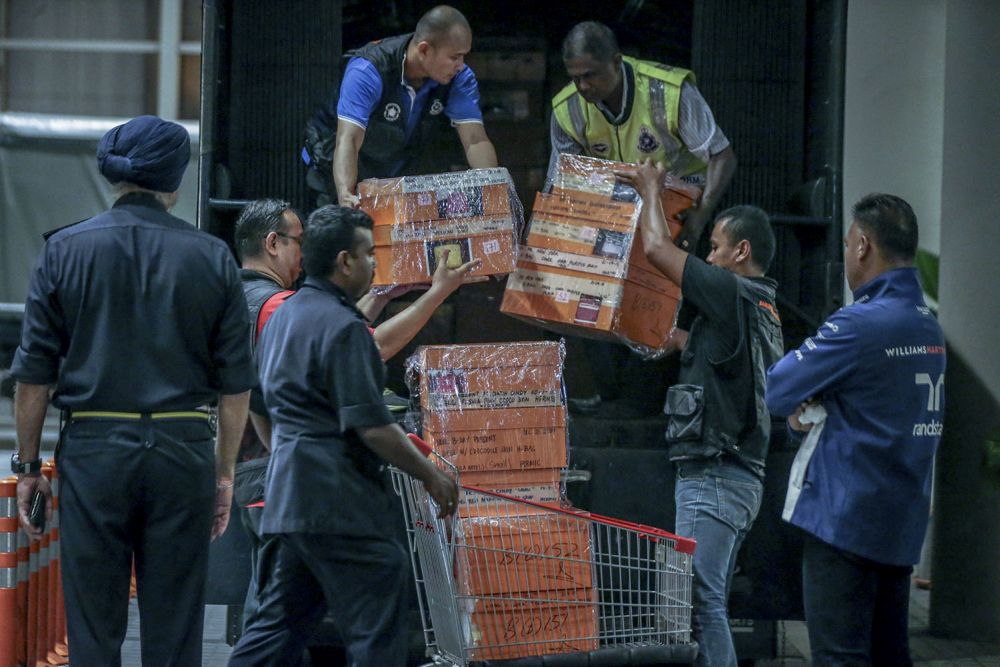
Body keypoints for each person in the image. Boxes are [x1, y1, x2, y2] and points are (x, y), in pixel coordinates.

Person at [10, 115, 253, 666]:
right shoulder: (213, 257)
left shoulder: (64, 250)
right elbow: (236, 384)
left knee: (93, 624)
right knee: (176, 625)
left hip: (94, 452)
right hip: (183, 448)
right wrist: (224, 474)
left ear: (113, 176)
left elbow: (34, 375)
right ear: (175, 180)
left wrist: (28, 468)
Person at [228, 205, 460, 667]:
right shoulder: (345, 329)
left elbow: (256, 399)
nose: (375, 263)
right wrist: (431, 475)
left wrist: (291, 454)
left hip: (289, 498)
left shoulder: (286, 317)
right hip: (338, 503)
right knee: (380, 614)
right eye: (368, 254)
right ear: (344, 262)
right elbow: (372, 425)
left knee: (276, 629)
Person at [616, 160, 783, 667]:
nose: (708, 256)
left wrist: (649, 191)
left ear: (741, 251)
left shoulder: (732, 289)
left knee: (699, 600)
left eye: (714, 247)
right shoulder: (761, 306)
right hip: (733, 475)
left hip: (716, 474)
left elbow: (655, 250)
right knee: (704, 598)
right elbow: (731, 361)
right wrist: (680, 341)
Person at [766, 194, 945, 666]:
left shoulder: (859, 324)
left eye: (846, 244)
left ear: (863, 245)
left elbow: (779, 389)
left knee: (839, 657)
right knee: (889, 654)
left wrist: (817, 396)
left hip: (843, 524)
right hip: (899, 520)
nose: (845, 254)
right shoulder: (927, 326)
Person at [550, 21, 737, 416]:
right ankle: (613, 401)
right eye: (575, 77)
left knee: (663, 313)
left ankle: (652, 409)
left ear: (616, 62)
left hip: (675, 216)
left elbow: (720, 154)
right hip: (611, 218)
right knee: (591, 302)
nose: (583, 86)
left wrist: (699, 221)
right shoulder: (567, 108)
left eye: (591, 75)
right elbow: (562, 180)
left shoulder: (666, 91)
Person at [303, 5, 498, 208]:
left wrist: (494, 191)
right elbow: (348, 139)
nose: (460, 64)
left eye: (464, 56)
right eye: (454, 57)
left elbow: (475, 140)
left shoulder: (460, 77)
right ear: (424, 49)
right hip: (336, 163)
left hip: (393, 166)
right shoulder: (368, 69)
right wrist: (344, 193)